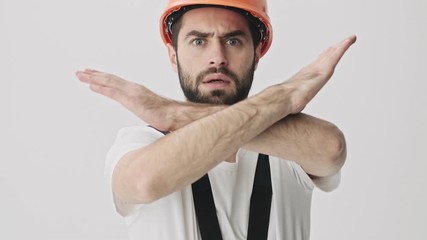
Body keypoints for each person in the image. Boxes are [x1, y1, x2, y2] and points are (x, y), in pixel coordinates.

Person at [77, 0, 356, 239]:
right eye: (199, 41)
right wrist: (283, 96)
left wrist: (178, 114)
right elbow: (144, 181)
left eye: (232, 40)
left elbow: (332, 148)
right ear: (173, 56)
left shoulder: (288, 145)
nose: (217, 58)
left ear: (256, 54)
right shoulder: (142, 141)